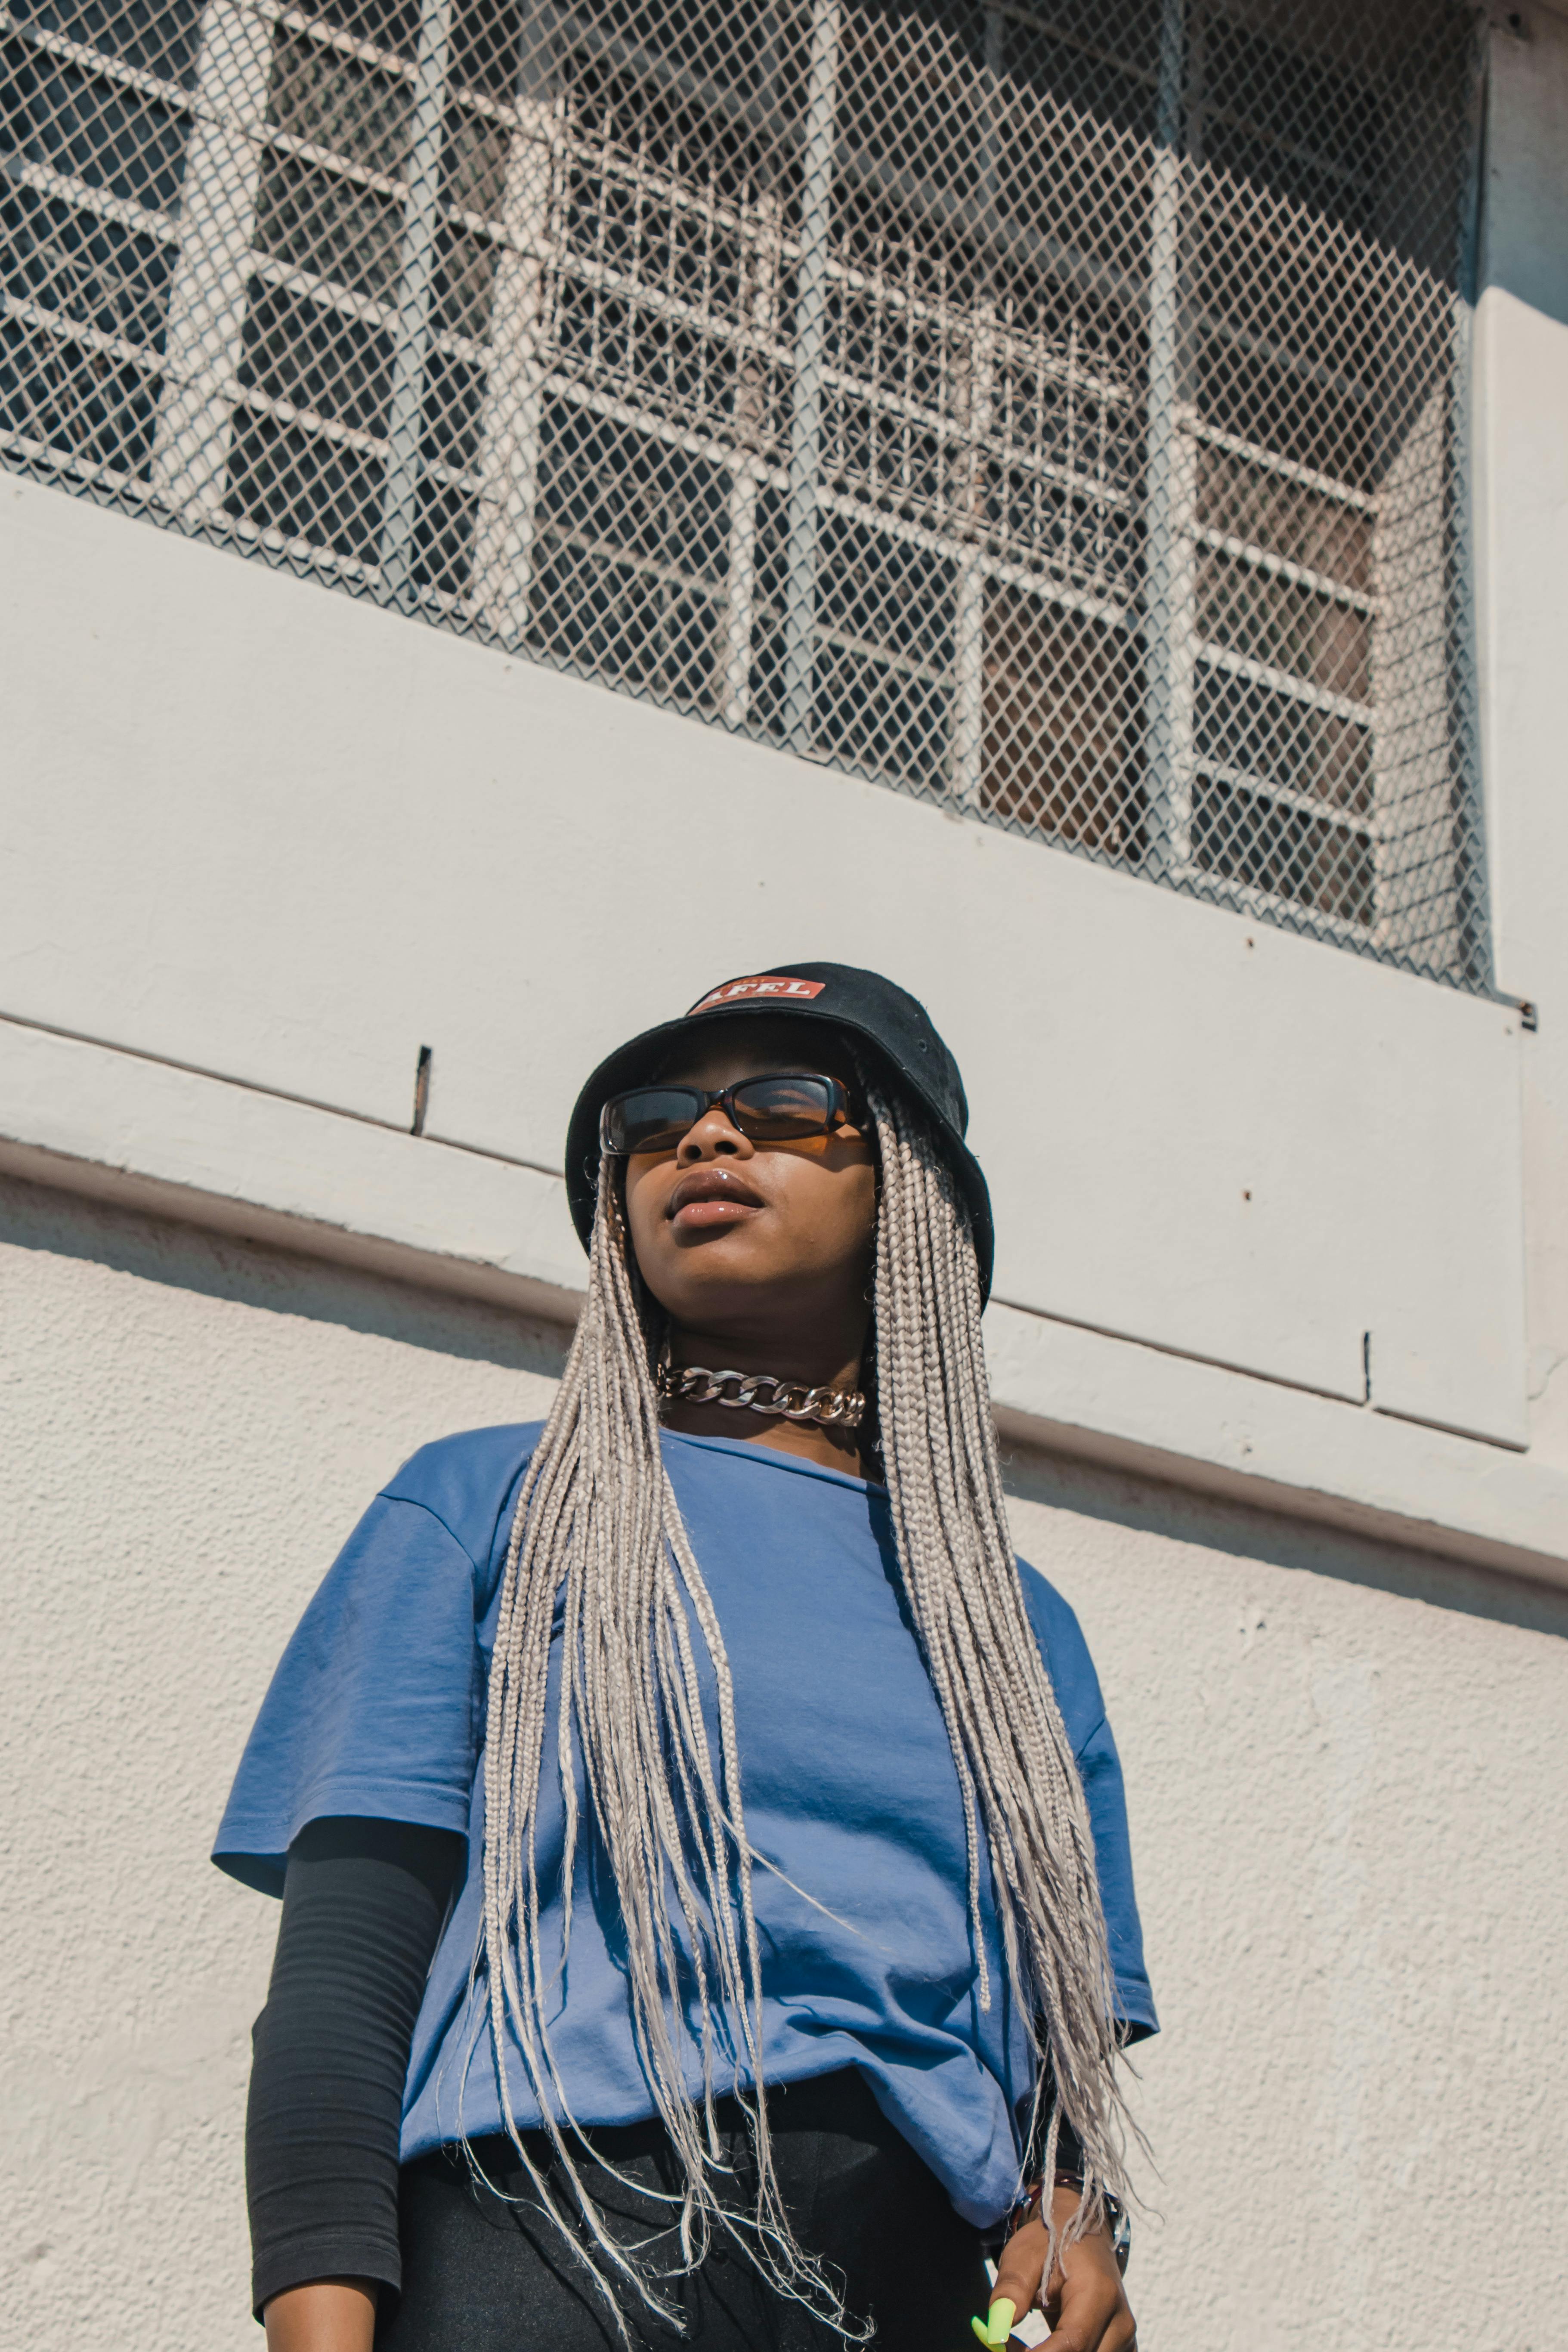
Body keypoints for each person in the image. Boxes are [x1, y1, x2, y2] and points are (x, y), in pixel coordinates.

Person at [214, 963, 1157, 2352]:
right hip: (553, 2234)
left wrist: (1076, 2213)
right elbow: (344, 1985)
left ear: (913, 1187)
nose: (704, 1141)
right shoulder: (489, 1509)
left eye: (784, 1105)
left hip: (910, 2279)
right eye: (652, 1124)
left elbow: (1054, 2048)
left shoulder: (1012, 1630)